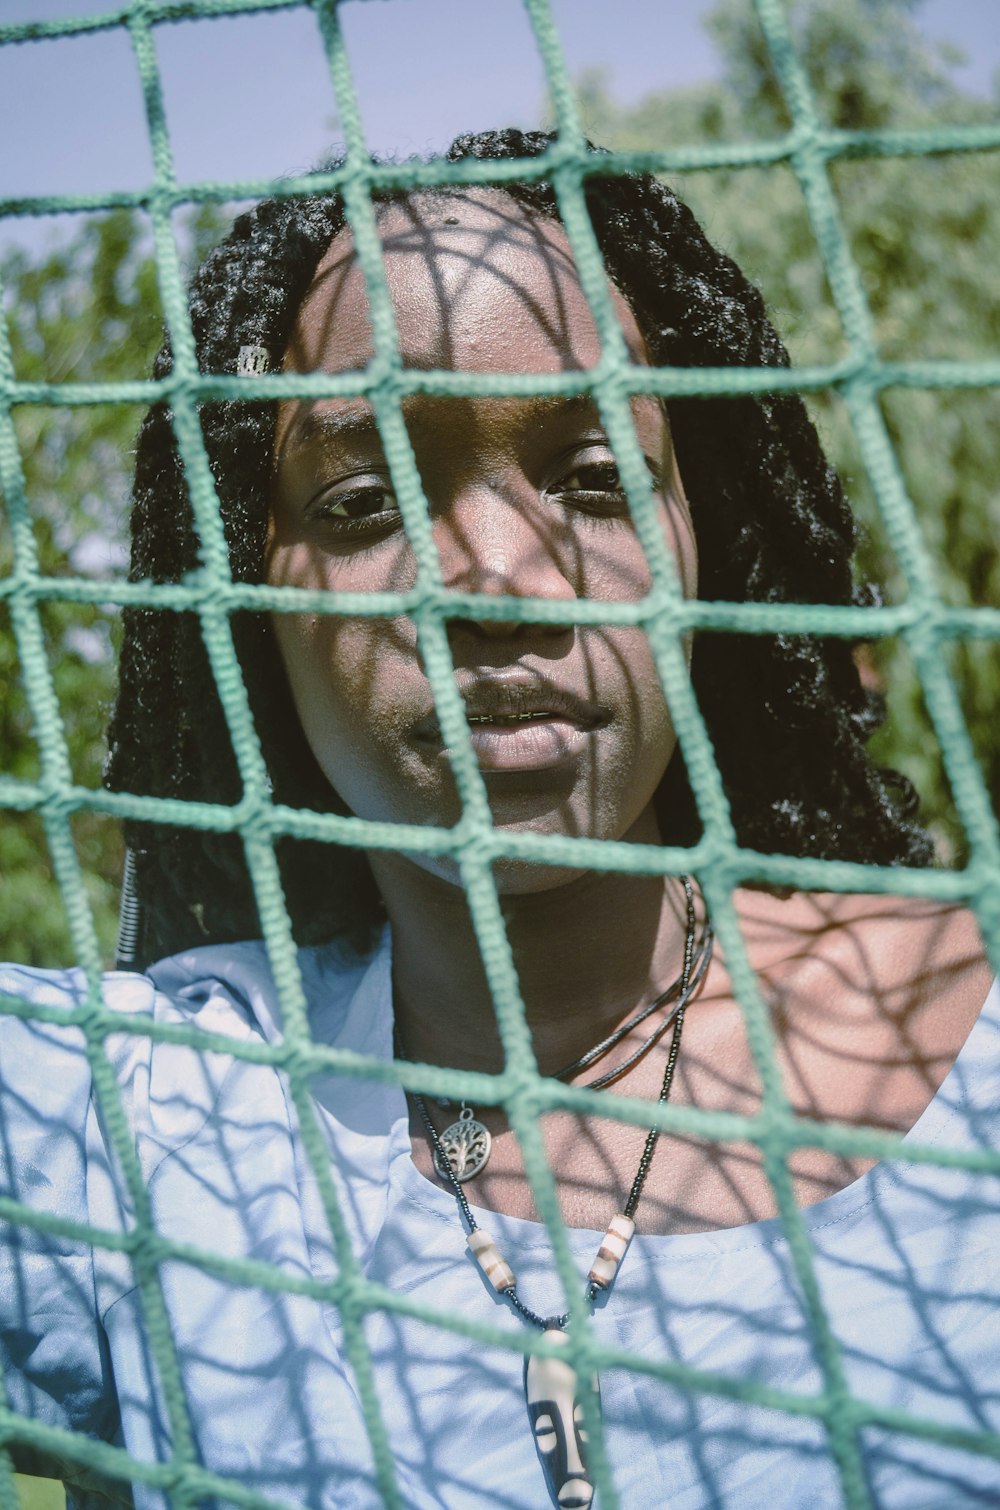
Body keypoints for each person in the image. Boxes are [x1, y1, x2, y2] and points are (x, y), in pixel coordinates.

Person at [0, 129, 996, 1510]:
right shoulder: (143, 1118)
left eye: (593, 478)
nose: (501, 580)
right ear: (240, 600)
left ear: (709, 546)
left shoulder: (973, 1035)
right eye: (361, 501)